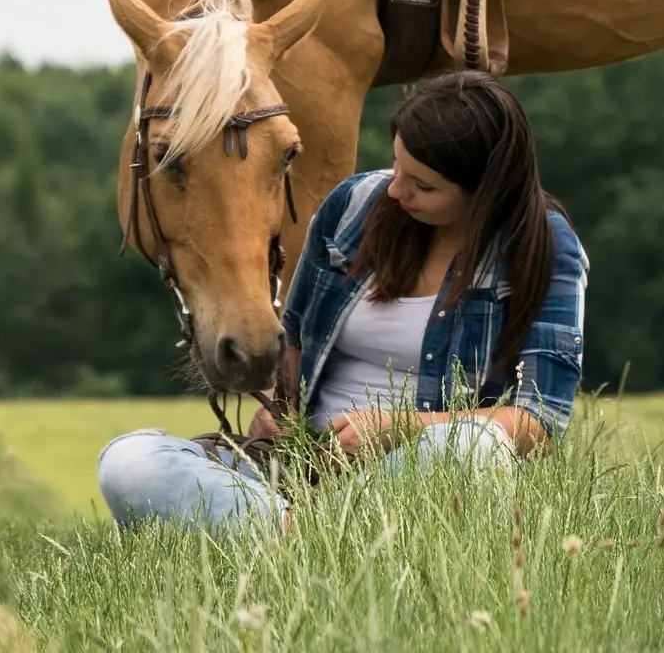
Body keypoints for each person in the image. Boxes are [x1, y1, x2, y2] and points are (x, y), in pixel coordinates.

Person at [97, 69, 589, 530]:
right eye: (397, 165)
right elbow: (293, 339)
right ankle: (310, 533)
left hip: (415, 469)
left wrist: (401, 428)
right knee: (129, 464)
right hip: (301, 462)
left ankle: (281, 532)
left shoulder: (545, 247)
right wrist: (279, 410)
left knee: (471, 450)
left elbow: (538, 422)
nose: (395, 190)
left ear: (485, 193)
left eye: (423, 185)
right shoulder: (354, 205)